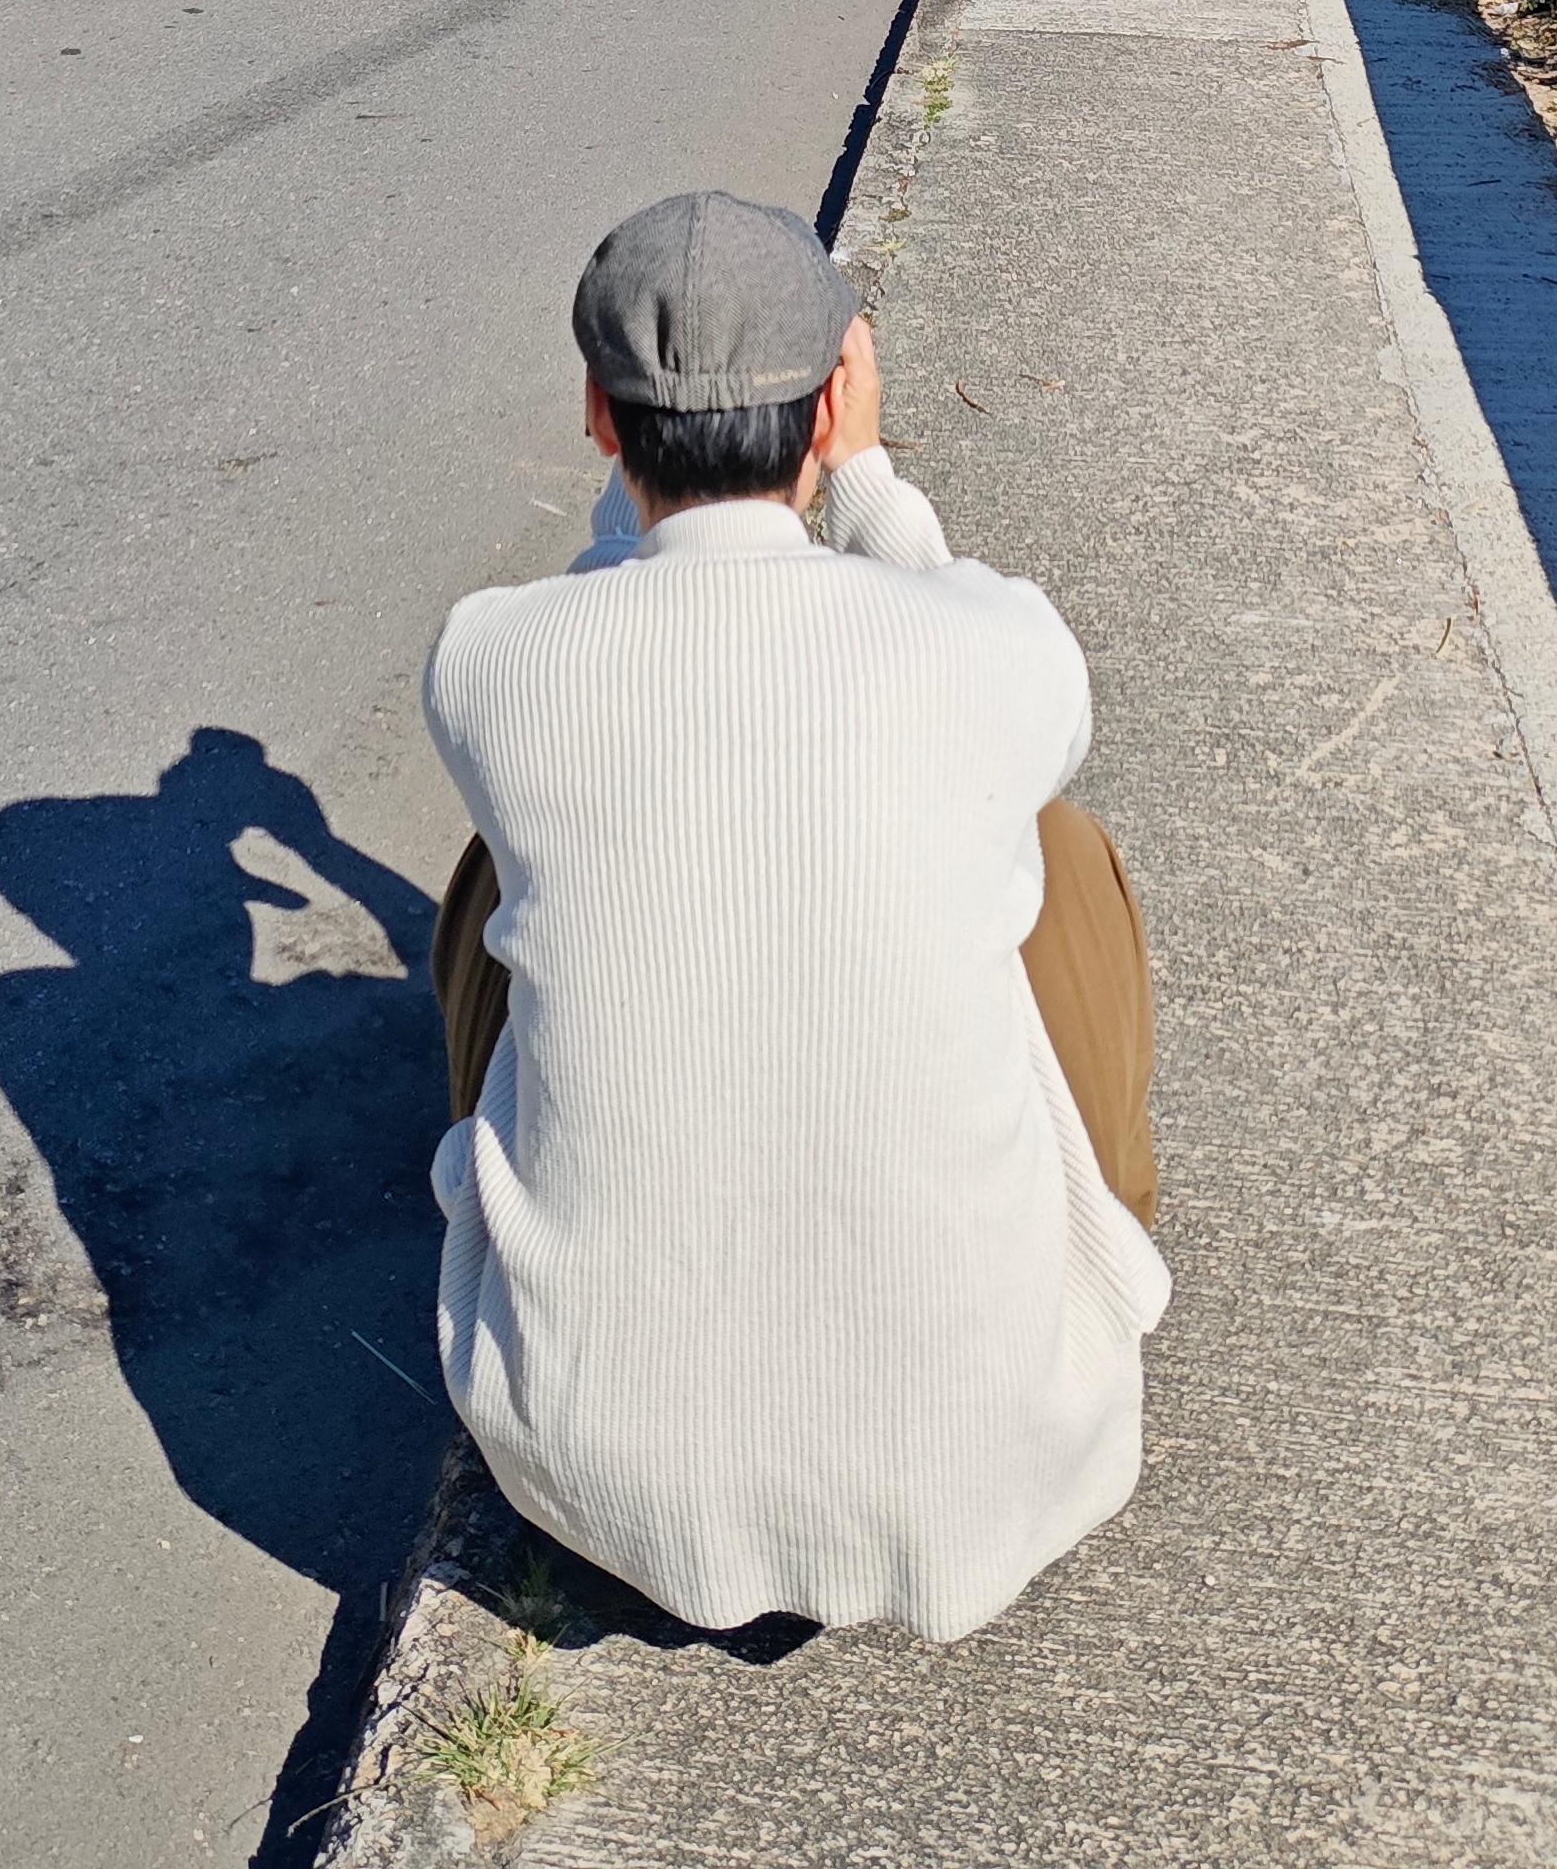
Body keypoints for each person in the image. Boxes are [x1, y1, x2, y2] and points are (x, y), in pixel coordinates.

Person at [421, 190, 1169, 1643]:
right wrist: (872, 475)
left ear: (594, 412)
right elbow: (952, 623)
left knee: (504, 869)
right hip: (995, 1467)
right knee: (1057, 849)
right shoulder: (994, 650)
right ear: (835, 402)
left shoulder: (490, 663)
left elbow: (611, 601)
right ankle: (1094, 1221)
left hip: (589, 1469)